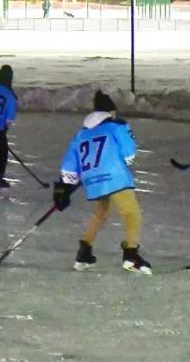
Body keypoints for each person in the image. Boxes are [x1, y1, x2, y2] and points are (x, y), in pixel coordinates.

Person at [56, 90, 151, 274]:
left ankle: (84, 252)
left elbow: (69, 167)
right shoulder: (116, 126)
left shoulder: (81, 135)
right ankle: (131, 255)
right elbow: (129, 154)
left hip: (93, 180)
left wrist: (63, 189)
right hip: (115, 177)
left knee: (102, 212)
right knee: (132, 214)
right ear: (110, 112)